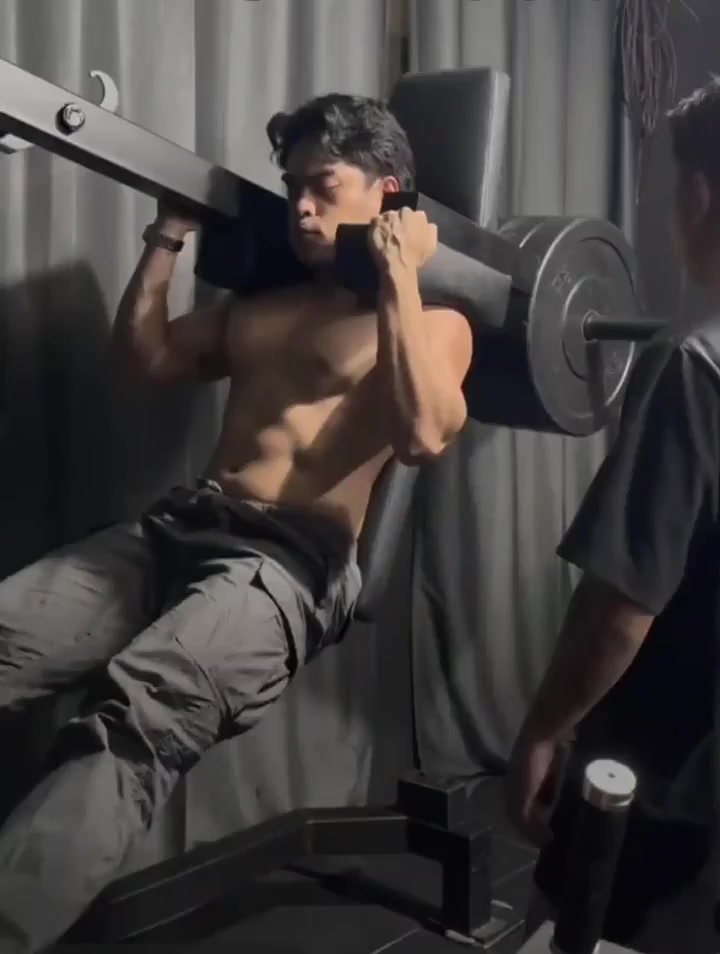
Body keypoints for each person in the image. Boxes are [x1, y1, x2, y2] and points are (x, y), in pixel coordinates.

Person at [0, 93, 473, 952]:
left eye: (324, 185)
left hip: (287, 566)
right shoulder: (264, 307)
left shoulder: (434, 322)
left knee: (140, 715)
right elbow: (146, 359)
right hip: (179, 529)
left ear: (387, 192)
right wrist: (167, 233)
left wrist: (402, 272)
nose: (302, 207)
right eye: (293, 187)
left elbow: (424, 435)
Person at [506, 77, 720, 954]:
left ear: (695, 196)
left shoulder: (690, 367)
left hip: (662, 783)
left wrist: (541, 732)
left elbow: (620, 610)